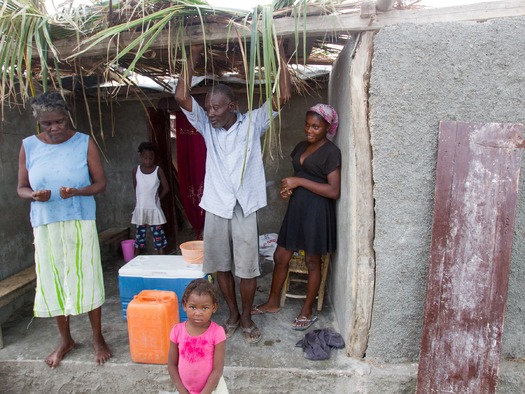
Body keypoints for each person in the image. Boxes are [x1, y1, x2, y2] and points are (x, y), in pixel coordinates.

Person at [174, 43, 291, 344]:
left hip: (244, 206)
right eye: (208, 107)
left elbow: (283, 96)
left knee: (247, 268)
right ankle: (233, 315)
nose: (209, 112)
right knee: (221, 265)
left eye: (216, 107)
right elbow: (180, 96)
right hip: (215, 205)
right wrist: (194, 55)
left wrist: (277, 52)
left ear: (233, 105)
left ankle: (248, 316)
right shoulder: (207, 127)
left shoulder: (253, 122)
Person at [17, 92, 111, 367]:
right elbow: (21, 187)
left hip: (80, 219)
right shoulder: (28, 146)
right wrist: (33, 196)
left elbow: (101, 183)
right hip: (46, 224)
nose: (54, 128)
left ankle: (97, 337)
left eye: (59, 121)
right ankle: (65, 339)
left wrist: (78, 192)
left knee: (87, 276)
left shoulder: (84, 142)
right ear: (39, 123)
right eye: (47, 124)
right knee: (54, 280)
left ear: (67, 116)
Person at [251, 104, 341, 331]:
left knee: (312, 261)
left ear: (327, 128)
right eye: (307, 125)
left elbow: (333, 191)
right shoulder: (302, 146)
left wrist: (298, 182)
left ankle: (307, 310)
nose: (309, 130)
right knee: (281, 255)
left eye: (316, 127)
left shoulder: (331, 152)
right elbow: (300, 175)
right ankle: (272, 302)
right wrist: (289, 188)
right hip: (297, 208)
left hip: (317, 211)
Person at [168, 278, 228, 394]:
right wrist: (182, 391)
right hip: (184, 390)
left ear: (213, 308)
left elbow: (218, 369)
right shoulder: (177, 331)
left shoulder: (217, 333)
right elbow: (172, 365)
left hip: (212, 390)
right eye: (193, 307)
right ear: (185, 306)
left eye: (205, 308)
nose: (198, 313)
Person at [131, 141, 169, 255]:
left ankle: (162, 261)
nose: (148, 161)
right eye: (145, 158)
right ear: (141, 157)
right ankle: (134, 263)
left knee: (159, 240)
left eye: (150, 158)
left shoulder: (158, 170)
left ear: (154, 158)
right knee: (139, 239)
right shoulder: (135, 171)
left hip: (154, 210)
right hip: (140, 209)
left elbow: (166, 188)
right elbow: (136, 187)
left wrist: (157, 199)